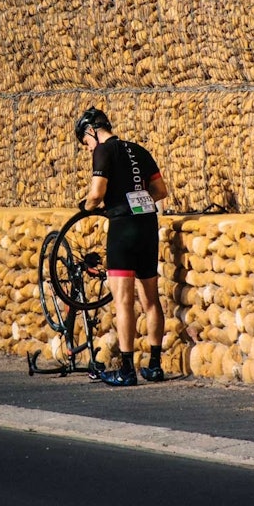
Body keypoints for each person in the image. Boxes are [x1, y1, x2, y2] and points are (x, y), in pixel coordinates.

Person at [73, 106, 168, 386]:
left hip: (123, 229)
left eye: (86, 143)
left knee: (124, 301)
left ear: (92, 131)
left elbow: (97, 193)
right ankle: (154, 365)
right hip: (147, 226)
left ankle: (127, 369)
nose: (89, 149)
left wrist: (85, 206)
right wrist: (137, 198)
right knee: (151, 300)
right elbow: (161, 191)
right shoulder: (139, 150)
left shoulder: (105, 150)